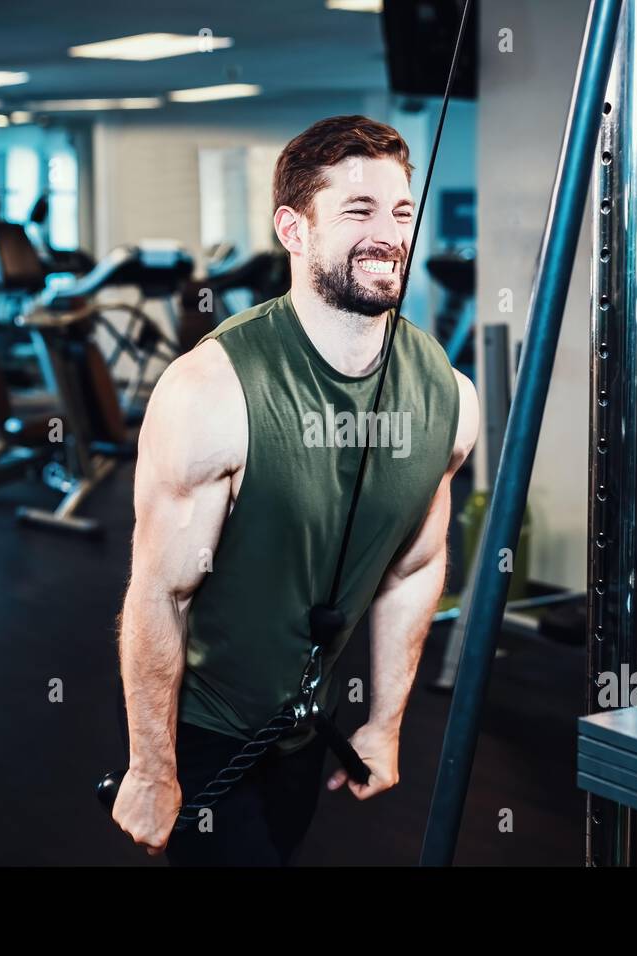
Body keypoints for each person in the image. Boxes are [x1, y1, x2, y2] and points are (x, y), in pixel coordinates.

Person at [110, 115, 478, 866]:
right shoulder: (210, 392)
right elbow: (160, 594)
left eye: (401, 212)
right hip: (204, 729)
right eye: (358, 211)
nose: (389, 233)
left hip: (307, 726)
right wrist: (151, 765)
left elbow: (412, 569)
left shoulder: (449, 396)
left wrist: (384, 720)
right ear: (294, 229)